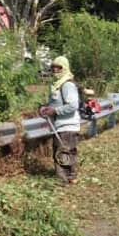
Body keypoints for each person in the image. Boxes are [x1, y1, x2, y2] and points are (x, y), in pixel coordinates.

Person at [39, 56, 81, 185]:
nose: (55, 70)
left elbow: (73, 105)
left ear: (65, 68)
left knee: (61, 154)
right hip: (60, 125)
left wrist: (55, 111)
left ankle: (62, 182)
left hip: (67, 126)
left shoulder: (67, 84)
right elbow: (57, 103)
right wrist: (46, 108)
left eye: (59, 67)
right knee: (66, 152)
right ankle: (71, 177)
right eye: (53, 67)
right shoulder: (57, 85)